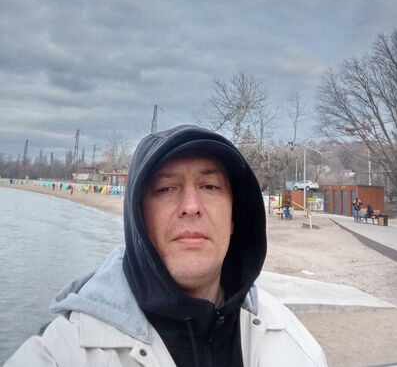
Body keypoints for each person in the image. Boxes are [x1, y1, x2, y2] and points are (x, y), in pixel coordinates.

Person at [6, 125, 327, 366]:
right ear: (139, 219)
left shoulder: (292, 342)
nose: (191, 206)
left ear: (234, 218)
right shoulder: (65, 352)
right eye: (165, 189)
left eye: (210, 186)